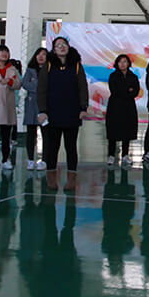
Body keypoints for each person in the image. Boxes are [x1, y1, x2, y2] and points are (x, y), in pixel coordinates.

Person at [36, 36, 88, 191]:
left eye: (64, 44)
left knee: (71, 147)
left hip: (72, 113)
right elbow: (41, 90)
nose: (62, 47)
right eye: (58, 45)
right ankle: (51, 179)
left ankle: (71, 180)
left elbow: (83, 87)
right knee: (52, 147)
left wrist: (83, 108)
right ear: (53, 49)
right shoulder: (48, 66)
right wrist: (42, 111)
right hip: (52, 113)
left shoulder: (76, 65)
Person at [105, 54, 140, 166]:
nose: (122, 64)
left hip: (129, 107)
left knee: (127, 130)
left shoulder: (133, 77)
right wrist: (128, 90)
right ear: (117, 64)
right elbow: (115, 91)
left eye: (125, 61)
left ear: (128, 63)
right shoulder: (113, 76)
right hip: (115, 106)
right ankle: (111, 155)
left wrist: (127, 90)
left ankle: (125, 155)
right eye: (120, 62)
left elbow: (135, 91)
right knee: (113, 131)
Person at [19, 47, 48, 171]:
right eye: (38, 54)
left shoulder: (49, 70)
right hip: (31, 105)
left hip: (45, 105)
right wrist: (40, 86)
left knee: (46, 134)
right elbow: (25, 84)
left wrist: (35, 83)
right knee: (31, 134)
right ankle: (30, 160)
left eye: (44, 54)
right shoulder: (30, 70)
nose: (41, 57)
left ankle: (44, 160)